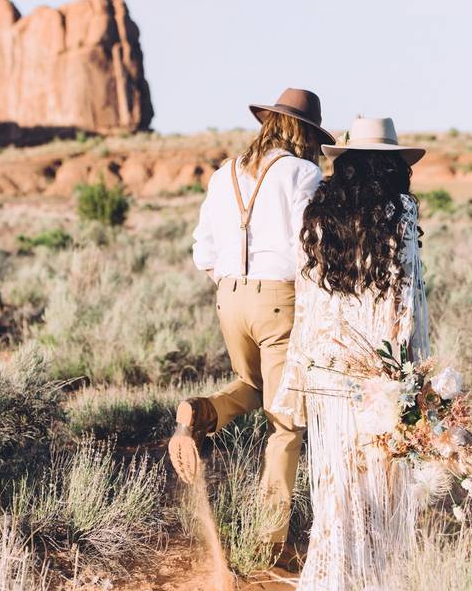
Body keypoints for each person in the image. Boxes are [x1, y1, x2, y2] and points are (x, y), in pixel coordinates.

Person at [169, 88, 335, 557]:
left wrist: (230, 278)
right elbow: (310, 243)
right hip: (278, 298)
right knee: (286, 425)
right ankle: (271, 539)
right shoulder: (303, 173)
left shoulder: (225, 174)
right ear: (304, 132)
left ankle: (199, 412)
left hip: (229, 296)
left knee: (252, 385)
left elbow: (202, 251)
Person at [270, 117, 429, 590]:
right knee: (379, 487)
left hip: (327, 376)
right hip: (376, 377)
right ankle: (375, 578)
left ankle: (330, 577)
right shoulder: (398, 212)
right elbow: (404, 302)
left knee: (335, 488)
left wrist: (301, 374)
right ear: (392, 165)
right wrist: (407, 379)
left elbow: (310, 301)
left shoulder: (317, 214)